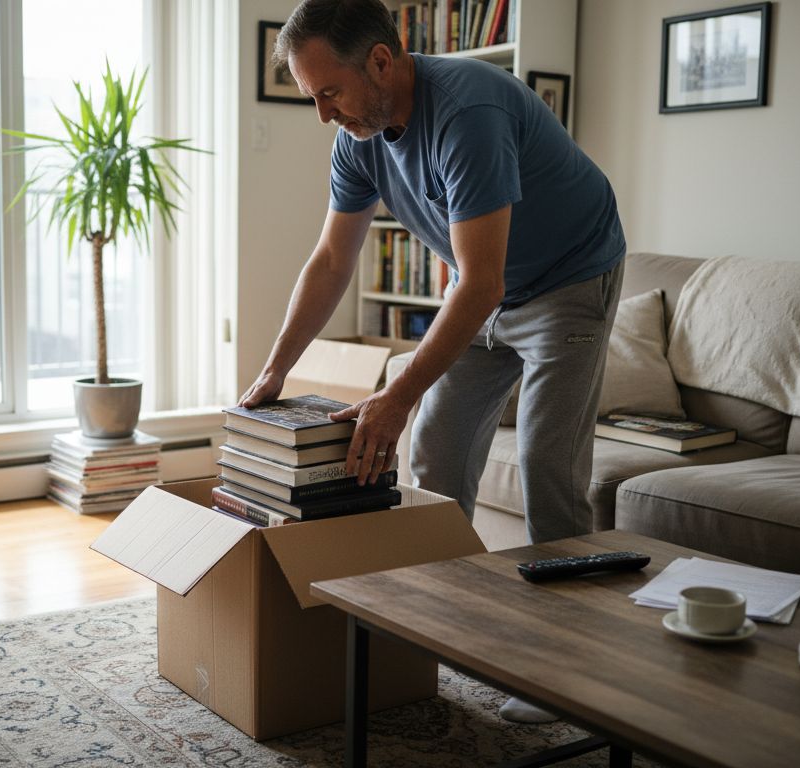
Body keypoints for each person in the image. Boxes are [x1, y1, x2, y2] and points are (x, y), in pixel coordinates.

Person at [238, 0, 625, 723]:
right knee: (438, 459)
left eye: (329, 92)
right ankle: (438, 640)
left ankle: (573, 678)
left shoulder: (468, 112)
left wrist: (397, 394)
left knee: (547, 466)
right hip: (483, 289)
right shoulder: (358, 138)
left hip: (570, 280)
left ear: (381, 61)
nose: (324, 114)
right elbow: (331, 260)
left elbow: (483, 284)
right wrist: (275, 369)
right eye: (312, 98)